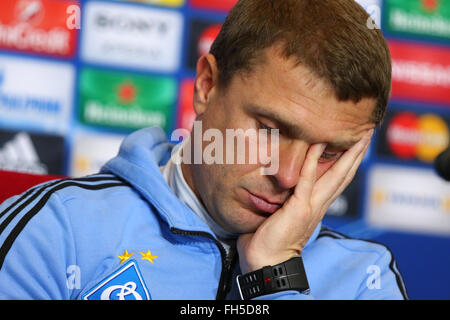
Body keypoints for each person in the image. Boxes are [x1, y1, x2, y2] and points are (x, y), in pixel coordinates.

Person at [0, 0, 408, 300]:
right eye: (269, 130)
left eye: (329, 153)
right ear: (207, 86)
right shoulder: (57, 231)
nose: (287, 175)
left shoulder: (364, 278)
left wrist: (276, 274)